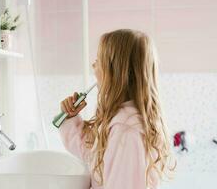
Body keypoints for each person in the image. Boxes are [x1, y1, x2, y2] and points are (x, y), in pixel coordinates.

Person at [59, 29, 176, 189]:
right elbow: (91, 154)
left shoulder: (127, 131)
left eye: (99, 60)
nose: (93, 65)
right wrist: (70, 118)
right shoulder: (121, 121)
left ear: (116, 73)